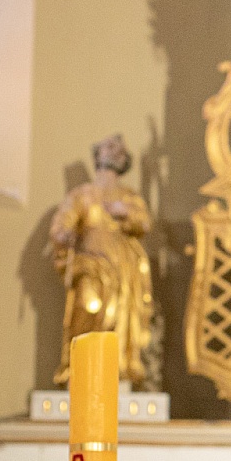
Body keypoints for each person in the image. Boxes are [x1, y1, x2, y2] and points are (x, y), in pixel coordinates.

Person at [49, 133, 154, 386]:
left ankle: (118, 370)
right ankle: (80, 370)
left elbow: (144, 223)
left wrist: (124, 211)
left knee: (120, 319)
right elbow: (62, 224)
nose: (113, 152)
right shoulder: (82, 194)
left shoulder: (128, 196)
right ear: (98, 155)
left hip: (122, 271)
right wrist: (62, 234)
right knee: (88, 308)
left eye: (118, 150)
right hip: (90, 266)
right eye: (108, 148)